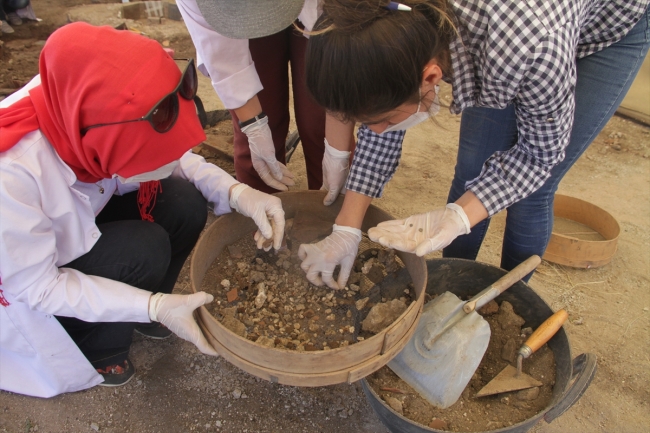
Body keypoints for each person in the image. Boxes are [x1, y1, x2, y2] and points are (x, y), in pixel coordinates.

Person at [0, 22, 285, 398]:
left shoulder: (87, 98)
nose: (165, 166)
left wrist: (237, 193)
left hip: (83, 215)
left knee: (182, 201)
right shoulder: (13, 173)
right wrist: (151, 305)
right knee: (143, 247)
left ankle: (146, 308)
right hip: (29, 277)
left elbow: (172, 158)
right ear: (104, 145)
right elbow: (37, 287)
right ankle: (100, 347)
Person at [298, 0, 650, 290]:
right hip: (515, 32)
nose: (376, 132)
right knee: (473, 173)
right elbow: (381, 100)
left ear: (432, 76)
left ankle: (509, 298)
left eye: (386, 120)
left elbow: (539, 155)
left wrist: (460, 215)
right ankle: (454, 285)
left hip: (605, 25)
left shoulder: (528, 45)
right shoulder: (375, 16)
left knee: (530, 196)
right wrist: (346, 228)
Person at [176, 0, 355, 201]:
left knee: (318, 119)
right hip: (239, 17)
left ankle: (332, 214)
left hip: (321, 8)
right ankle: (264, 213)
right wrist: (254, 127)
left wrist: (337, 152)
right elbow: (221, 52)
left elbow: (337, 52)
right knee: (260, 126)